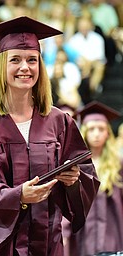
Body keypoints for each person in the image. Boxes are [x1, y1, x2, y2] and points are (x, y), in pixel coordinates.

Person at [0, 16, 100, 256]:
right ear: (1, 66)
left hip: (45, 242)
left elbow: (86, 177)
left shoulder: (60, 122)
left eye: (32, 60)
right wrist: (18, 196)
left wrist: (73, 180)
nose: (25, 67)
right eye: (15, 60)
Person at [62, 101, 123, 256]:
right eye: (91, 129)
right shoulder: (76, 164)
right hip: (84, 232)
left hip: (113, 230)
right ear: (84, 133)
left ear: (108, 132)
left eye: (101, 129)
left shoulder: (118, 163)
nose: (96, 134)